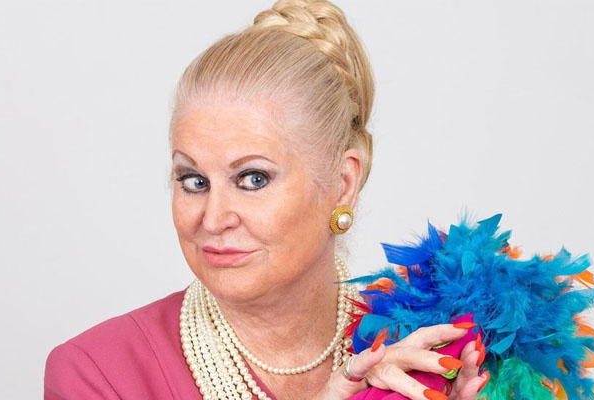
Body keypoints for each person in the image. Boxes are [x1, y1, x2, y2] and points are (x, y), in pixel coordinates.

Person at [44, 1, 489, 399]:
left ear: (343, 183)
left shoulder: (424, 349)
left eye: (253, 179)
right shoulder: (98, 375)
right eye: (194, 180)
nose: (213, 219)